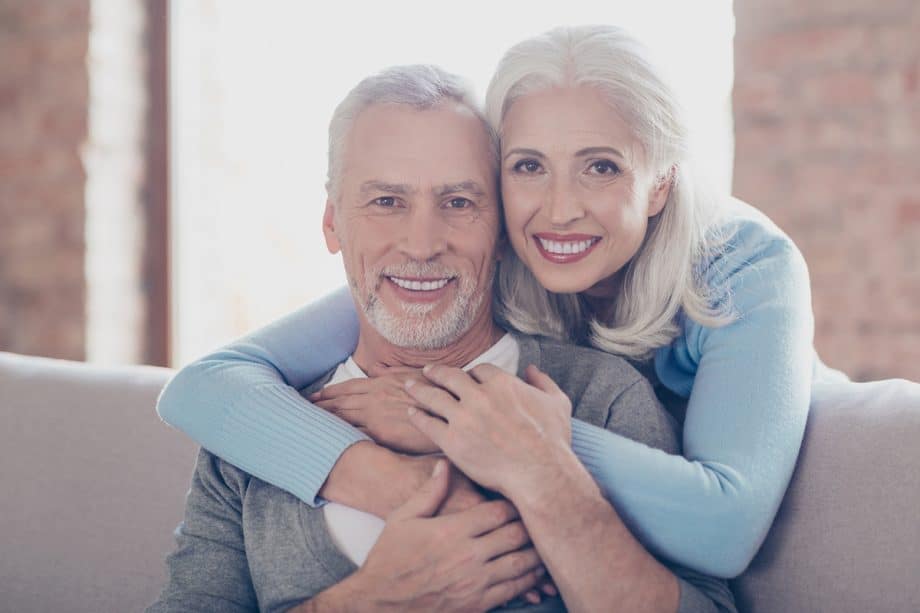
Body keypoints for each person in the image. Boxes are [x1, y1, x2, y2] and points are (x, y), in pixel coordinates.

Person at [156, 25, 823, 579]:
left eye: (601, 166)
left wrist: (471, 427)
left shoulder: (741, 269)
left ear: (660, 182)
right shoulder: (472, 263)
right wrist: (386, 478)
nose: (559, 211)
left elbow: (726, 528)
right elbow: (205, 384)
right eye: (529, 165)